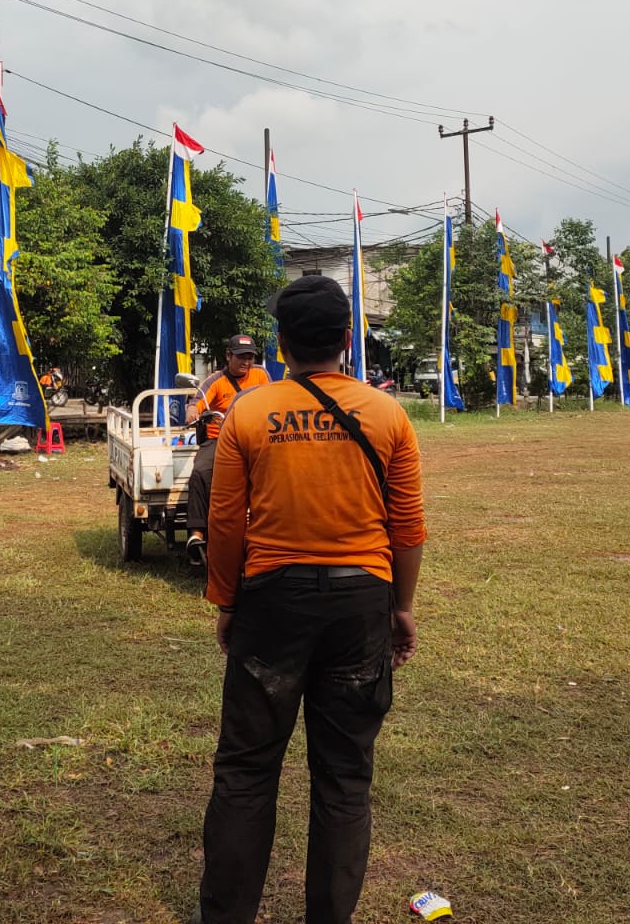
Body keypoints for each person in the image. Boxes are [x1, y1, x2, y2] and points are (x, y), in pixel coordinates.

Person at [195, 276, 426, 924]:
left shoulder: (250, 412)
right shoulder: (388, 415)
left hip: (272, 604)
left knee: (245, 772)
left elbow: (227, 523)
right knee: (344, 779)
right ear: (347, 340)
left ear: (281, 342)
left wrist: (226, 603)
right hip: (361, 607)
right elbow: (406, 527)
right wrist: (400, 607)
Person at [184, 334, 273, 565]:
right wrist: (193, 412)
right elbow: (196, 402)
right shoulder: (215, 381)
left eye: (250, 357)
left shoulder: (261, 375)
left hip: (254, 437)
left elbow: (273, 398)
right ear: (228, 356)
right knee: (200, 473)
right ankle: (197, 534)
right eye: (241, 357)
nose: (246, 362)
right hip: (219, 439)